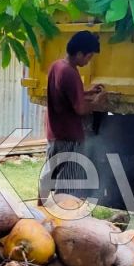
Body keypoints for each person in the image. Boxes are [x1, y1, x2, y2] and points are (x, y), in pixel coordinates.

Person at [38, 30, 108, 204]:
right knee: (66, 185)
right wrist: (97, 102)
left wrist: (87, 92)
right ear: (79, 53)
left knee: (48, 176)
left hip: (54, 133)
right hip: (70, 136)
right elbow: (80, 109)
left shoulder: (57, 66)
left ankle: (38, 212)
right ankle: (60, 219)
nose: (89, 60)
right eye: (89, 56)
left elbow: (66, 95)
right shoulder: (71, 72)